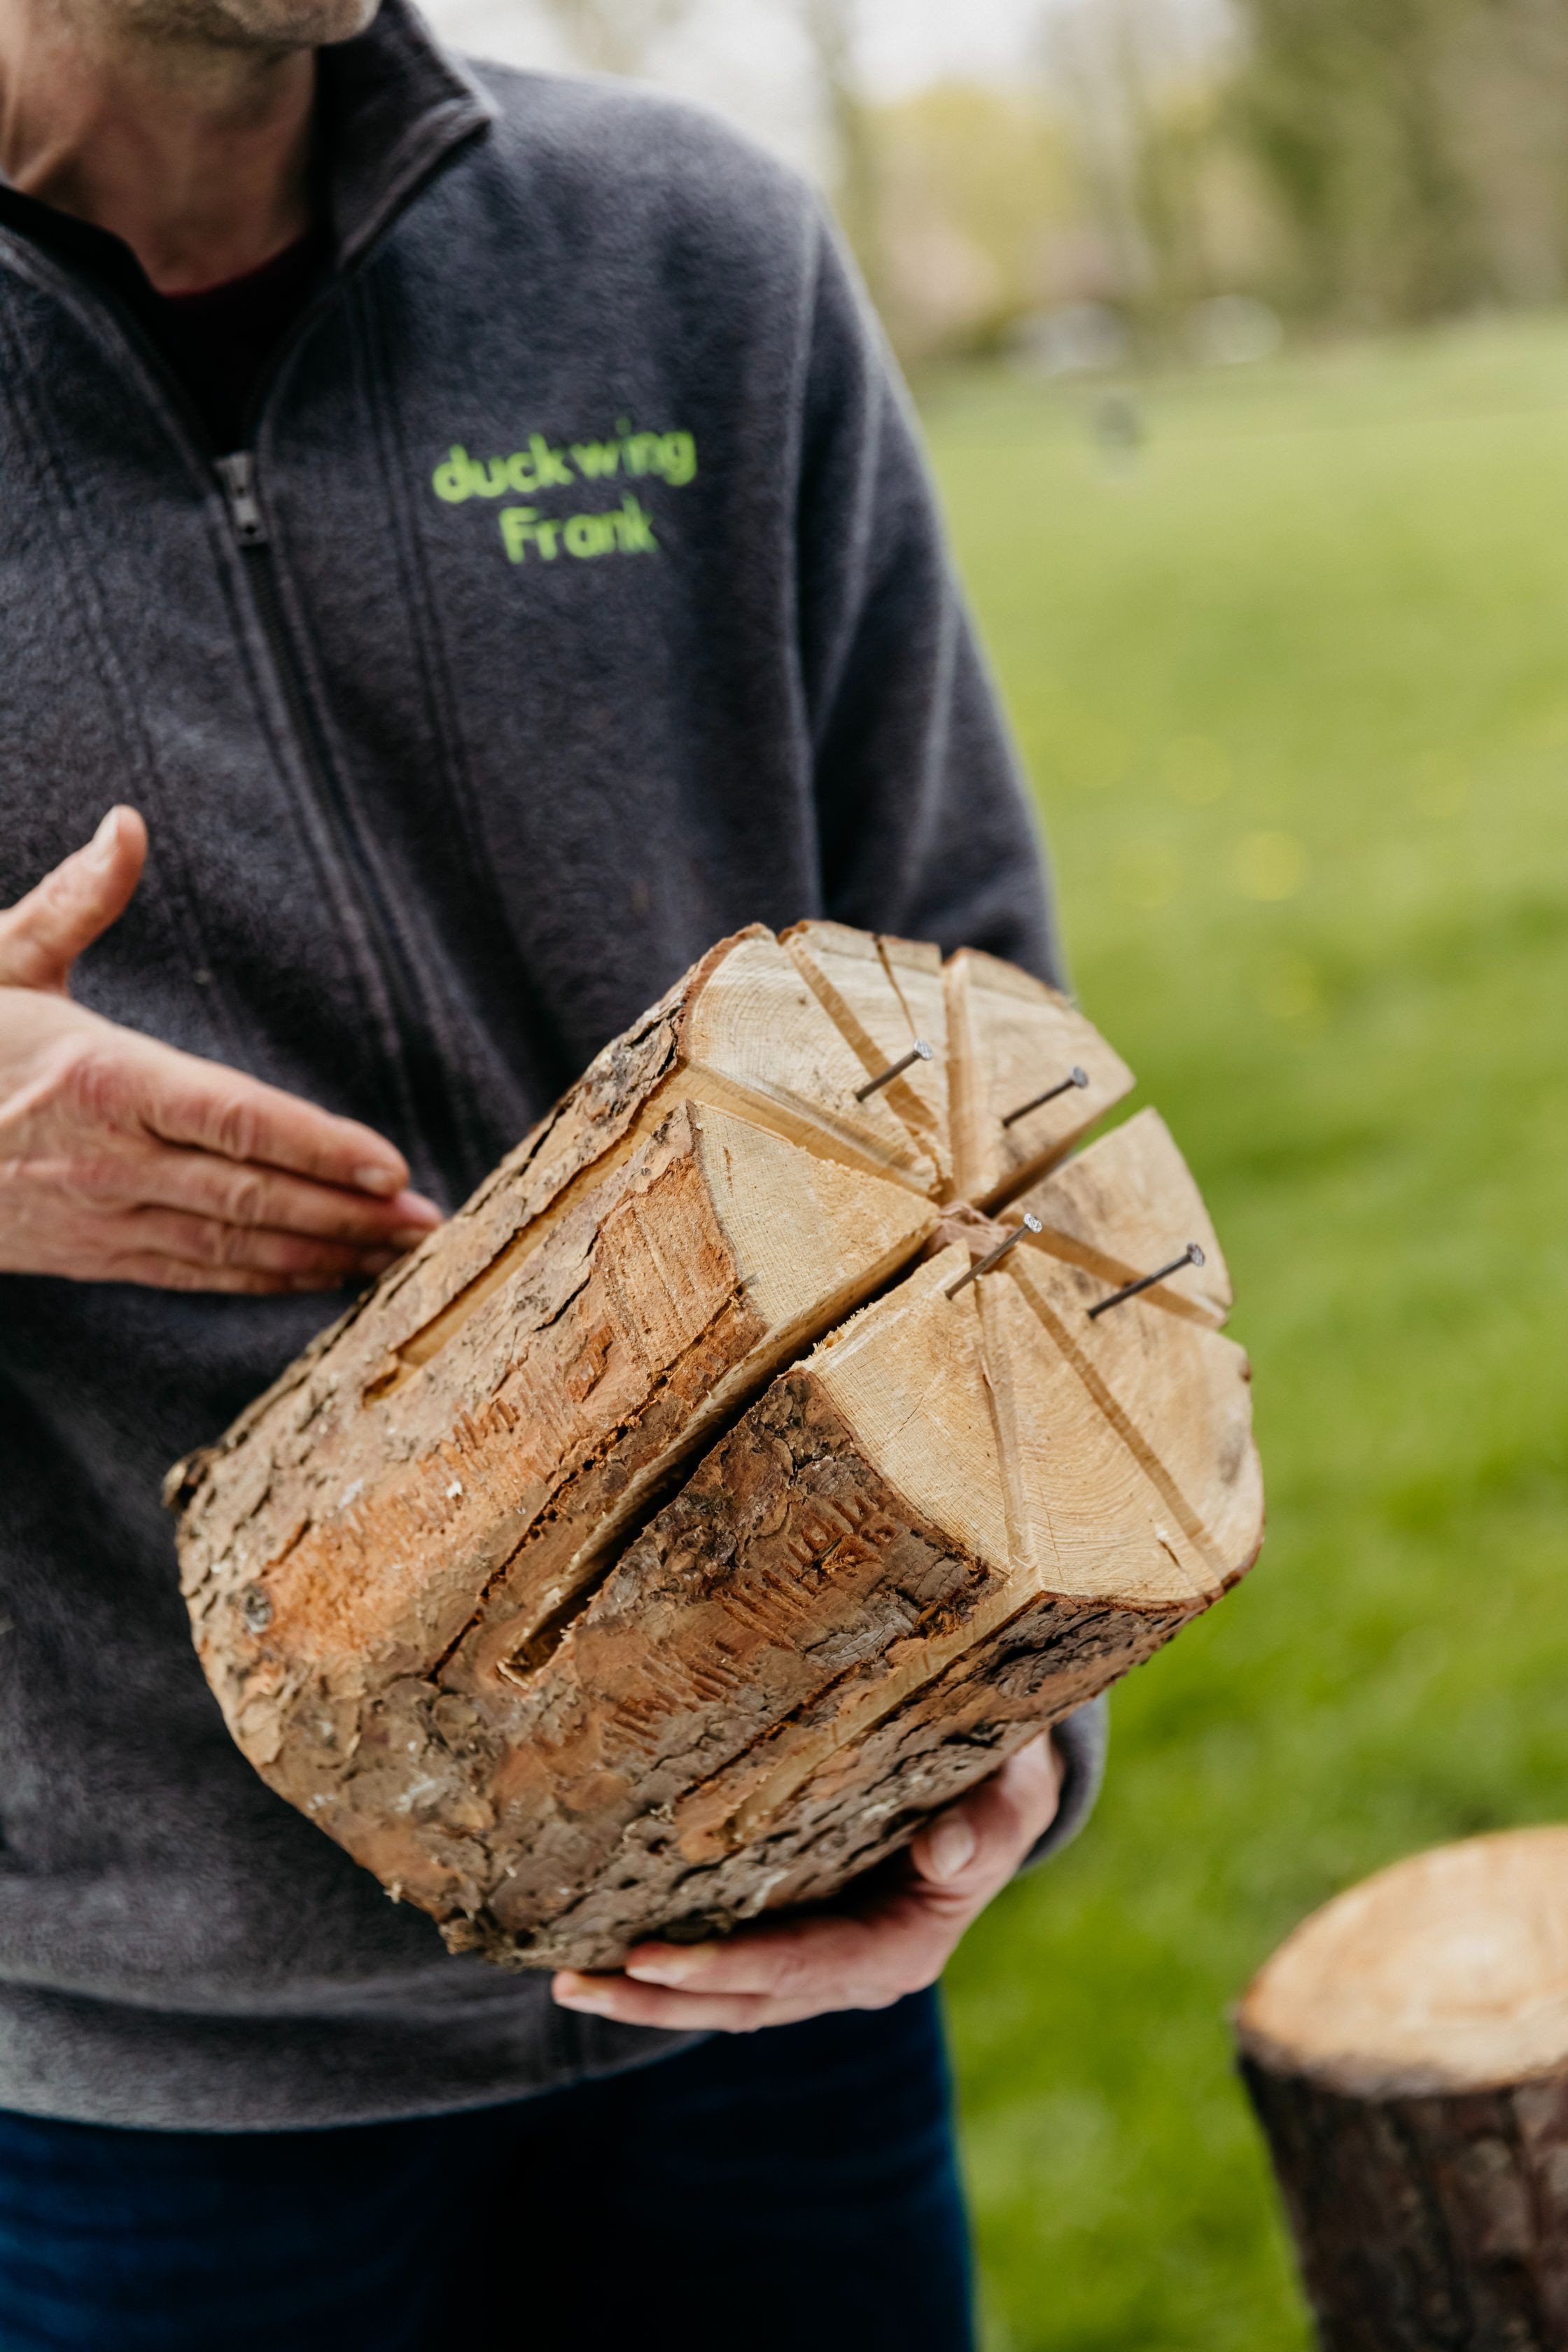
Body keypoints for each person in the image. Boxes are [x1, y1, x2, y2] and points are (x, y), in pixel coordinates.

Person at [0, 0, 1108, 2337]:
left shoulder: (689, 258)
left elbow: (996, 1041)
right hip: (141, 2076)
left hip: (770, 1975)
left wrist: (1006, 1718)